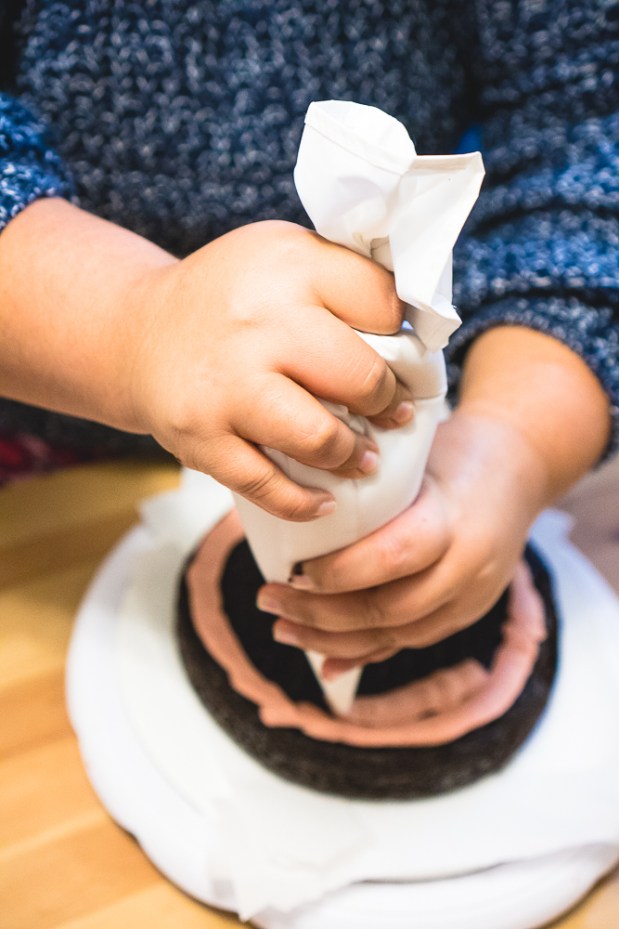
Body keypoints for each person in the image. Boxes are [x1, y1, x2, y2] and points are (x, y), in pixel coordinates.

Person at [0, 1, 616, 672]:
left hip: (442, 401)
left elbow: (584, 130)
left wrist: (513, 445)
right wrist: (134, 323)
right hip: (49, 429)